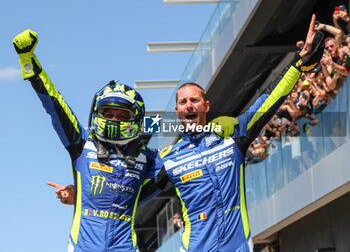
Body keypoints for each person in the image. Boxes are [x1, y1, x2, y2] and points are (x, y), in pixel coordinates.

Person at [153, 14, 324, 251]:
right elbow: (125, 186)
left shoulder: (231, 134)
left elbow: (267, 100)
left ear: (206, 106)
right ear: (177, 110)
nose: (189, 105)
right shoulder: (167, 157)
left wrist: (299, 63)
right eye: (183, 102)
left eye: (194, 100)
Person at [13, 29, 160, 252]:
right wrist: (28, 60)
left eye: (122, 116)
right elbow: (54, 105)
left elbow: (190, 161)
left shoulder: (148, 158)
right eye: (108, 113)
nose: (113, 120)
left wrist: (223, 131)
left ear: (136, 120)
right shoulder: (81, 143)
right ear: (96, 113)